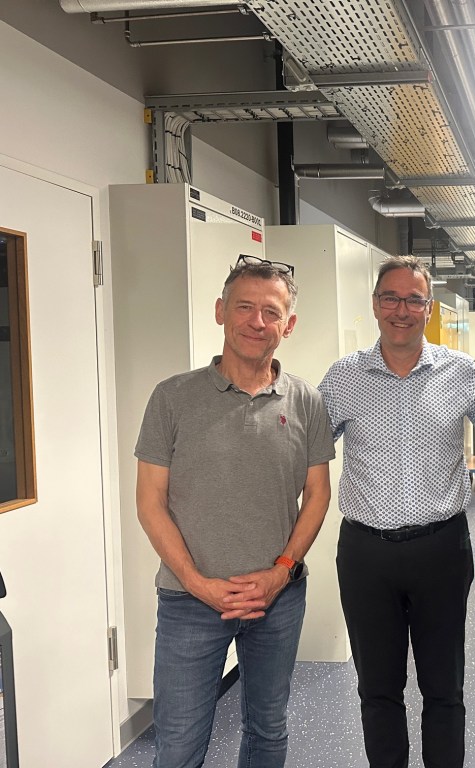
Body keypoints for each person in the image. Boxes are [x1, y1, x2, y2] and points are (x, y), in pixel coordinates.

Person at [135, 255, 335, 768]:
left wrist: (281, 571)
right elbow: (150, 503)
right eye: (244, 307)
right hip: (188, 600)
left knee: (268, 729)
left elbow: (317, 495)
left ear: (288, 325)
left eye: (271, 312)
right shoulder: (172, 398)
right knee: (179, 745)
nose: (256, 322)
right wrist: (197, 582)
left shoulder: (306, 401)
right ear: (220, 311)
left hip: (278, 598)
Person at [317, 255, 475, 768]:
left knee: (444, 688)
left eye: (414, 299)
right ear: (375, 305)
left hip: (442, 549)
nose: (401, 310)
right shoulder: (344, 377)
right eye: (390, 298)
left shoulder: (460, 372)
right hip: (366, 554)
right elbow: (305, 450)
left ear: (429, 308)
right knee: (377, 689)